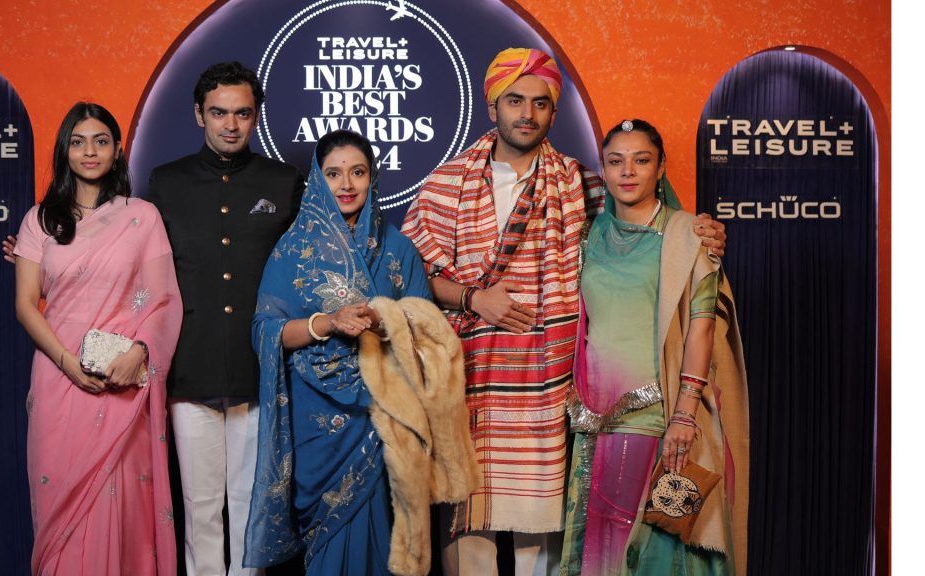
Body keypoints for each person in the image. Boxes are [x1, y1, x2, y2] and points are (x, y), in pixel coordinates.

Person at [401, 48, 727, 576]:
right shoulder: (444, 184)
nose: (526, 113)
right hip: (471, 384)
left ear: (554, 113)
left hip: (551, 391)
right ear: (492, 106)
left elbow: (651, 228)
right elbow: (410, 276)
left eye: (540, 103)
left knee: (549, 534)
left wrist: (704, 232)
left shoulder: (583, 185)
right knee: (470, 528)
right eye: (515, 100)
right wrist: (472, 298)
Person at [560, 119, 749, 576]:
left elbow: (702, 327)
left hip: (659, 414)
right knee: (602, 542)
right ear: (602, 171)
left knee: (655, 550)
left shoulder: (689, 235)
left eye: (641, 161)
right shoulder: (588, 236)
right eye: (616, 161)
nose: (628, 172)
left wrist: (685, 414)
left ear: (661, 168)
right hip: (593, 420)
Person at [244, 130, 432, 575]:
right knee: (328, 540)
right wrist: (325, 323)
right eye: (333, 173)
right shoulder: (293, 251)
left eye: (357, 172)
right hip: (316, 422)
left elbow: (427, 333)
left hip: (384, 418)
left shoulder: (397, 248)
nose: (346, 184)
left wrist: (384, 323)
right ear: (317, 180)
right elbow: (266, 331)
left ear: (373, 178)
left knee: (385, 542)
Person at [146, 62, 305, 576]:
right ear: (199, 115)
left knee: (251, 507)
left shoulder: (283, 183)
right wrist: (48, 250)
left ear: (256, 118)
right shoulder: (165, 183)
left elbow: (318, 261)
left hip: (259, 369)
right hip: (188, 368)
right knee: (199, 508)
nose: (230, 124)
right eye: (219, 113)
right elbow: (124, 253)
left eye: (242, 113)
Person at [12, 102, 183, 575]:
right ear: (64, 150)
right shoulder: (39, 221)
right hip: (58, 377)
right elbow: (27, 305)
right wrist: (67, 363)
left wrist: (140, 353)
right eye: (79, 141)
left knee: (121, 503)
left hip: (123, 382)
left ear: (117, 150)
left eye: (101, 141)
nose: (90, 151)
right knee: (60, 503)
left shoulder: (142, 217)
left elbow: (163, 299)